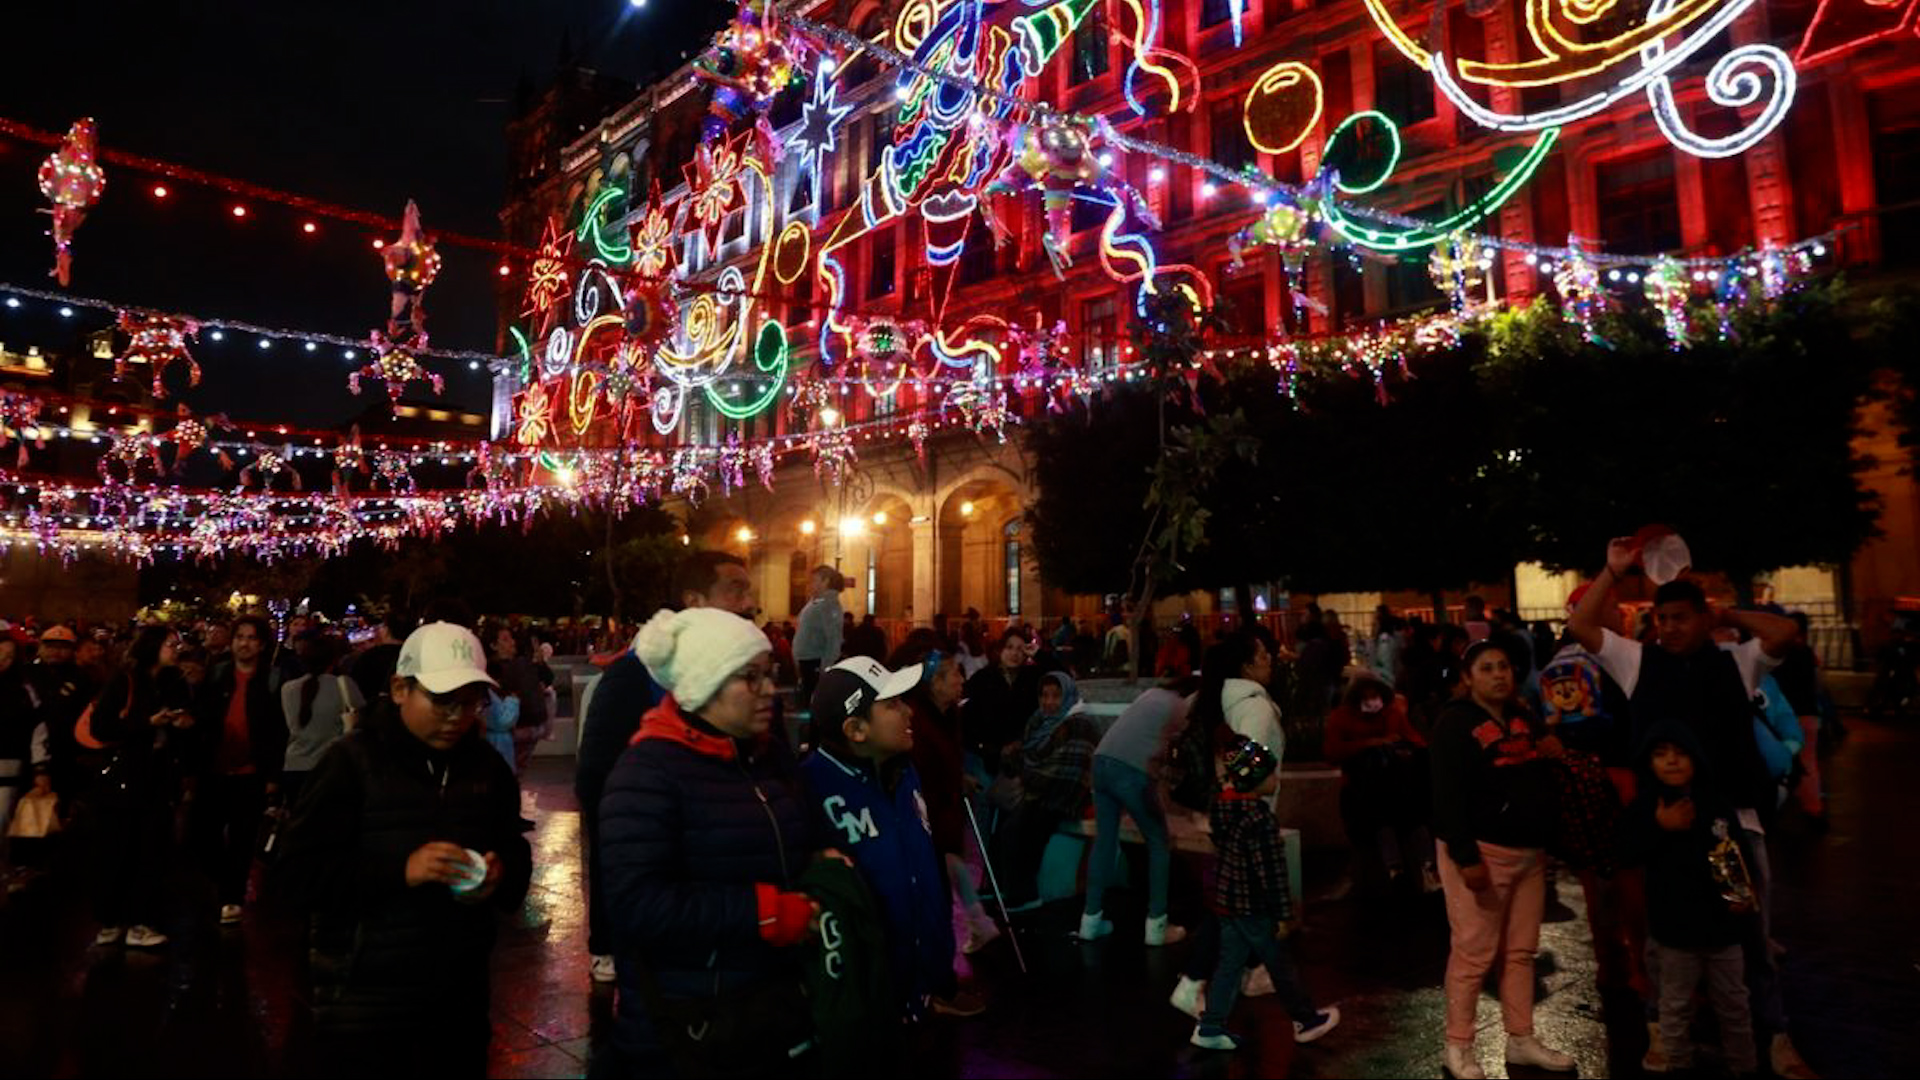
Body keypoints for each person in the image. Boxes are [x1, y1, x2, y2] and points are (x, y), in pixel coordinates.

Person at [1565, 537, 1813, 1080]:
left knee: (1749, 932)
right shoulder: (1638, 662)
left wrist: (1725, 612)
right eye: (1661, 617)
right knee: (1664, 934)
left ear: (1703, 618)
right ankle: (1660, 1026)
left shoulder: (1735, 662)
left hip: (1730, 824)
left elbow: (1784, 632)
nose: (1668, 627)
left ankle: (1771, 1034)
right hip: (1668, 826)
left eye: (1681, 617)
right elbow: (1582, 627)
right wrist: (1610, 572)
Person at [277, 621, 532, 1077]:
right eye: (442, 700)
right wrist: (401, 871)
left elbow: (513, 849)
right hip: (363, 1004)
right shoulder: (349, 763)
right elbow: (296, 874)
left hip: (458, 1002)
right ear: (400, 689)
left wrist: (501, 875)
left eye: (470, 701)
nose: (457, 715)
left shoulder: (487, 768)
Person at [596, 607, 825, 1078]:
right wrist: (762, 913)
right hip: (690, 1022)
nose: (769, 690)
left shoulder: (764, 757)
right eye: (750, 677)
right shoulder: (648, 773)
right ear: (703, 686)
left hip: (767, 1011)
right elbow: (636, 904)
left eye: (769, 674)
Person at [575, 550, 754, 985]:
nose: (749, 603)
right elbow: (597, 783)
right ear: (693, 599)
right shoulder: (636, 675)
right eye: (735, 590)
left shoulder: (745, 675)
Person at [803, 656, 980, 1025]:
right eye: (892, 705)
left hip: (917, 993)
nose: (909, 712)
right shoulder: (809, 790)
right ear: (856, 729)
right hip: (867, 1003)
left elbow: (922, 874)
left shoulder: (903, 771)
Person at [1429, 640, 1573, 1079]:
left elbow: (1533, 776)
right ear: (1468, 678)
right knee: (1474, 954)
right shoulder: (1454, 724)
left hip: (1530, 855)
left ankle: (1521, 1039)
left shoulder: (1521, 717)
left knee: (1521, 952)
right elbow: (1445, 796)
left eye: (1505, 667)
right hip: (1482, 855)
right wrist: (1465, 856)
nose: (1499, 675)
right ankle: (1458, 1046)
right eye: (1487, 668)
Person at [1620, 722, 1758, 1077]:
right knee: (1675, 1006)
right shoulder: (1646, 806)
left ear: (1696, 759)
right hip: (1674, 931)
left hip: (1723, 926)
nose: (1671, 762)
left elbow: (1739, 853)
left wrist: (1746, 894)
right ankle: (1678, 1064)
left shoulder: (1715, 804)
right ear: (1648, 762)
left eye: (1680, 754)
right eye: (1661, 755)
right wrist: (1659, 827)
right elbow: (1625, 852)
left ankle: (1744, 1066)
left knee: (1735, 1004)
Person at [1190, 736, 1340, 1052]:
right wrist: (1284, 913)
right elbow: (1270, 872)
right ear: (1255, 781)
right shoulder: (1259, 819)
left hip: (1227, 900)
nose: (1276, 778)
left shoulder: (1224, 808)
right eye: (1271, 774)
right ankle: (1305, 1020)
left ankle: (1211, 1026)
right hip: (1253, 905)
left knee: (1230, 964)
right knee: (1279, 963)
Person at [88, 625, 195, 949]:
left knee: (151, 851)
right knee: (117, 849)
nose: (175, 649)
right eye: (168, 644)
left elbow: (189, 724)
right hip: (124, 778)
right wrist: (146, 724)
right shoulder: (126, 680)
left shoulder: (175, 682)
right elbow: (101, 727)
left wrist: (182, 724)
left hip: (158, 778)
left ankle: (140, 920)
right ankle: (110, 919)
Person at [892, 637, 999, 956]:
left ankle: (973, 927)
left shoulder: (949, 714)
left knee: (950, 860)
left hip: (946, 802)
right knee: (940, 869)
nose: (961, 680)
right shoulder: (916, 720)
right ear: (934, 683)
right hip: (927, 807)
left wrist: (960, 777)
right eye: (954, 674)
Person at [1080, 673, 1194, 946]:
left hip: (1101, 764)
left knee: (1105, 842)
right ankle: (1157, 927)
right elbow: (1188, 750)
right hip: (1131, 774)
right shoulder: (1183, 705)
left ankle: (1090, 923)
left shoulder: (1150, 695)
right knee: (1158, 843)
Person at [190, 613, 284, 926]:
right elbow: (201, 719)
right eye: (239, 637)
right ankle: (222, 879)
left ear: (262, 645)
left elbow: (278, 732)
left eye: (251, 638)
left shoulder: (273, 680)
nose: (244, 644)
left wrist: (273, 775)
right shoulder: (217, 676)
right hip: (214, 769)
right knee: (205, 835)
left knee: (243, 839)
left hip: (252, 773)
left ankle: (232, 897)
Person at [992, 670, 1098, 912]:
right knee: (1009, 827)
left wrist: (1023, 768)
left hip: (1064, 794)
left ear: (1068, 696)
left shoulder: (1079, 724)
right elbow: (1027, 757)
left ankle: (1024, 894)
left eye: (1056, 696)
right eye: (1044, 696)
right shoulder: (1039, 721)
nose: (1049, 702)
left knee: (1021, 829)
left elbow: (1066, 770)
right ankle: (1014, 890)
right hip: (1039, 792)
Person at [1324, 667, 1434, 892]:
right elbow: (1332, 753)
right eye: (1365, 696)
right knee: (1379, 820)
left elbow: (1416, 741)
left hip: (1396, 784)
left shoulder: (1393, 714)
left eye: (1374, 696)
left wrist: (1403, 749)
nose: (1371, 701)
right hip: (1361, 789)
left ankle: (1427, 870)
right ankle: (1395, 871)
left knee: (1414, 819)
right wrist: (1369, 744)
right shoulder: (1341, 718)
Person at [279, 632, 363, 810]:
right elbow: (362, 718)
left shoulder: (287, 689)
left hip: (294, 767)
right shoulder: (344, 685)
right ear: (334, 660)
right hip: (331, 767)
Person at [26, 624, 97, 802]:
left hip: (66, 751)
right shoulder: (26, 673)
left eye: (62, 648)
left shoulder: (82, 677)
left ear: (72, 651)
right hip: (28, 749)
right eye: (50, 647)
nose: (55, 652)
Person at [961, 630, 1044, 780]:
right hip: (988, 759)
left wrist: (1038, 654)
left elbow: (1061, 678)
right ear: (1000, 649)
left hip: (1024, 757)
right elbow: (968, 719)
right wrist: (994, 749)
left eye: (1020, 649)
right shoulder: (983, 678)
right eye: (1009, 647)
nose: (1014, 653)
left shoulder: (1032, 678)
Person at [485, 623, 550, 774]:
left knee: (517, 770)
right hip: (517, 728)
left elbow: (547, 678)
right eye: (506, 639)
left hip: (532, 725)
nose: (512, 642)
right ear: (494, 645)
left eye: (511, 638)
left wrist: (540, 663)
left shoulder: (522, 662)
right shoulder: (493, 670)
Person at [792, 565, 847, 702]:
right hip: (808, 661)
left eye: (814, 580)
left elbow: (834, 639)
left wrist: (825, 668)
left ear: (825, 581)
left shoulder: (829, 605)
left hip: (815, 662)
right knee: (810, 699)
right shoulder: (817, 602)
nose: (810, 585)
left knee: (816, 702)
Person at [347, 608, 416, 706]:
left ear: (387, 630)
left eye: (383, 626)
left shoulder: (367, 657)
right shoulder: (414, 657)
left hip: (371, 715)